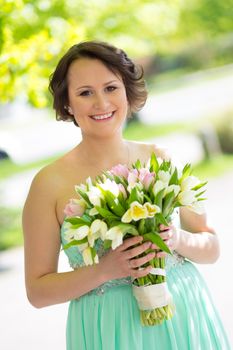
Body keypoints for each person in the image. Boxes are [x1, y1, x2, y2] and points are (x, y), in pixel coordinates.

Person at [23, 41, 231, 350]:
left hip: (184, 311)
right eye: (85, 93)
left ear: (126, 91)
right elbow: (38, 292)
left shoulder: (160, 158)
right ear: (67, 104)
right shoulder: (48, 183)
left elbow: (211, 247)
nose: (101, 103)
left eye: (110, 88)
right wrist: (105, 270)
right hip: (110, 327)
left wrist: (175, 239)